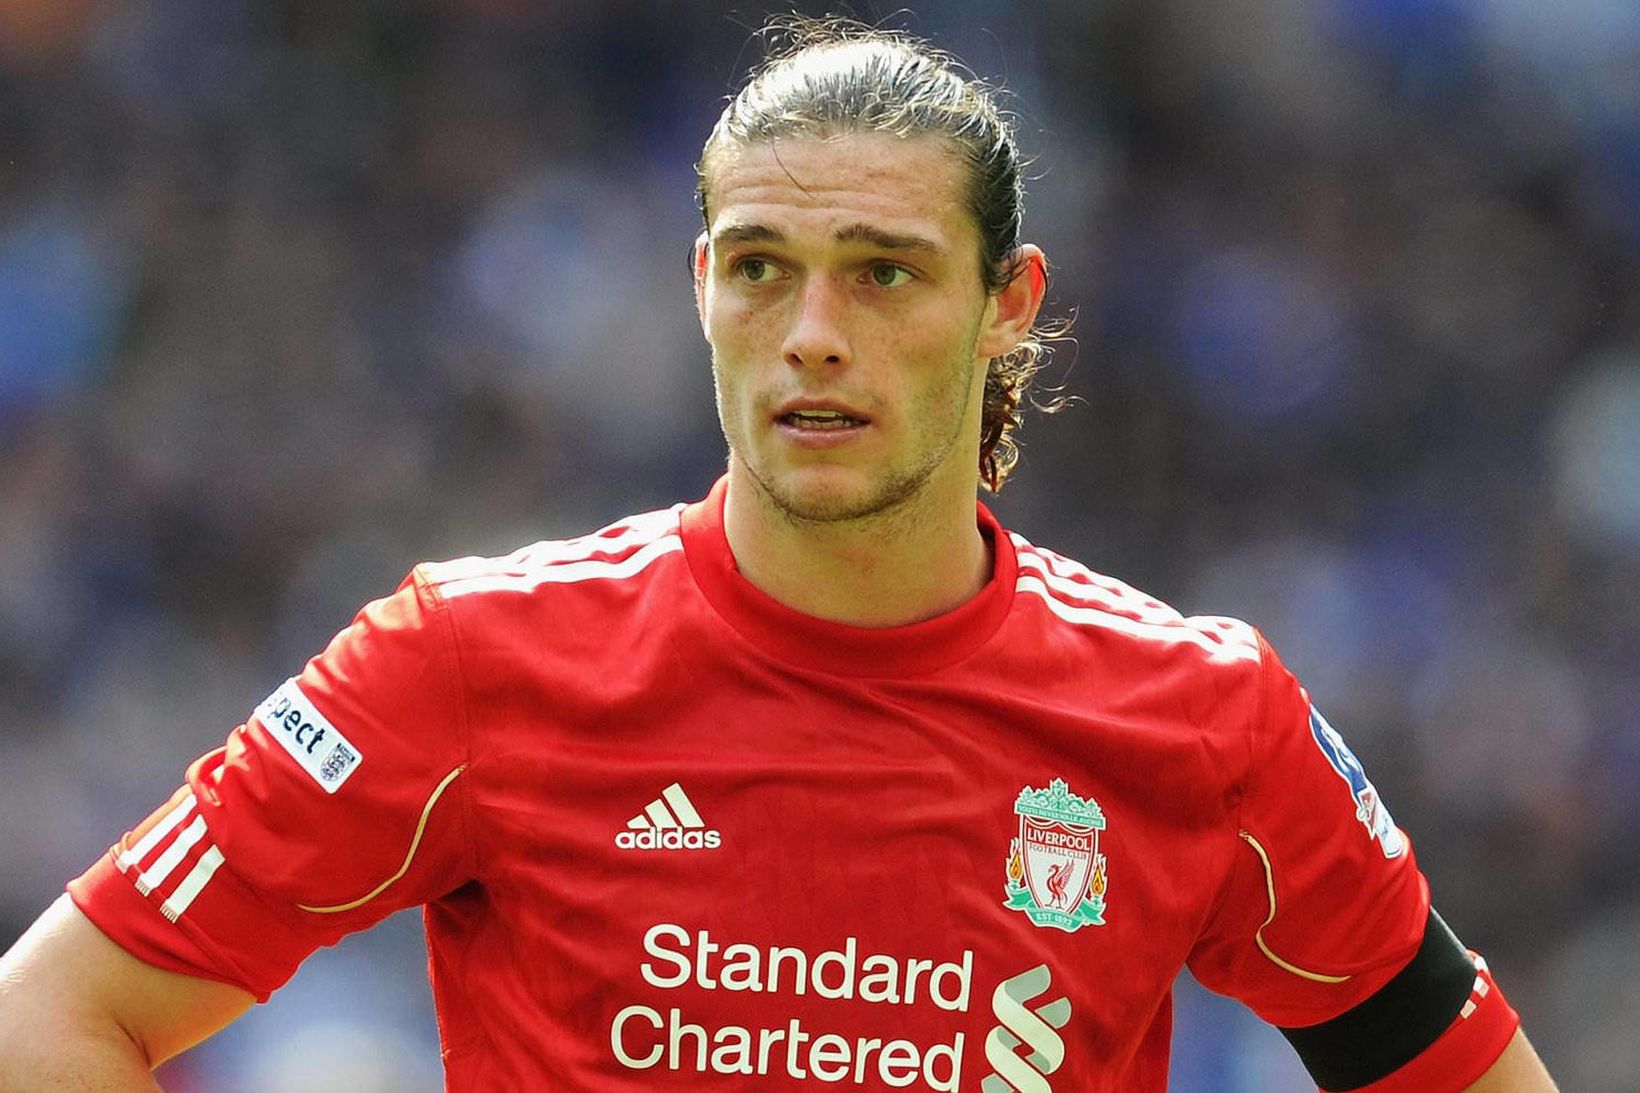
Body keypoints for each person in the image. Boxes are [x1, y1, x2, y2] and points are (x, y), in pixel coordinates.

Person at [0, 17, 1558, 1092]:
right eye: (762, 267)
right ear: (701, 287)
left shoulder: (1202, 719)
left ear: (1009, 305)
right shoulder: (466, 661)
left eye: (885, 274)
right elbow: (55, 1017)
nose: (813, 334)